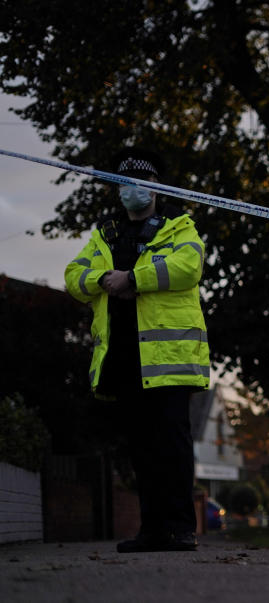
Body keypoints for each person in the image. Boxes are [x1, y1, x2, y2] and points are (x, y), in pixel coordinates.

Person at [65, 147, 210, 552]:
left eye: (141, 182)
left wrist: (133, 278)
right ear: (117, 190)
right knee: (142, 450)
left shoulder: (179, 227)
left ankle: (181, 529)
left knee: (172, 446)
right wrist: (103, 280)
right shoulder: (105, 234)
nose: (133, 189)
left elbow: (187, 267)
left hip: (167, 359)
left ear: (157, 189)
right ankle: (152, 531)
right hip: (124, 357)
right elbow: (74, 276)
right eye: (125, 182)